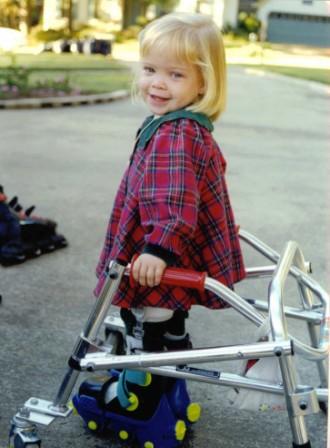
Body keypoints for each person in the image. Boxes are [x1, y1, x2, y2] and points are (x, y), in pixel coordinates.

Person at [90, 10, 245, 443]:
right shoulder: (186, 127)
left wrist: (158, 248)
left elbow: (173, 200)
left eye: (175, 74)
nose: (157, 83)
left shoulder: (174, 134)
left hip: (158, 255)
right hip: (170, 249)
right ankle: (167, 376)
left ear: (203, 83)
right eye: (149, 69)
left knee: (148, 321)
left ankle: (143, 391)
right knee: (168, 317)